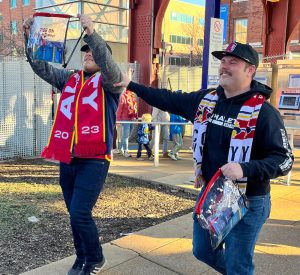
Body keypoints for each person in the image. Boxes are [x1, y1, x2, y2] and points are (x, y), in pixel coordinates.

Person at [114, 41, 294, 274]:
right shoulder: (206, 102)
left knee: (238, 261)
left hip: (249, 201)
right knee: (202, 250)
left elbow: (284, 159)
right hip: (213, 196)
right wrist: (131, 85)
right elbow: (167, 98)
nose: (225, 67)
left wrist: (245, 168)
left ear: (250, 70)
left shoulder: (265, 113)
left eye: (233, 62)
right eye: (223, 62)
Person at [23, 14, 123, 275]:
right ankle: (82, 259)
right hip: (69, 156)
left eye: (93, 51)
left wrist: (91, 32)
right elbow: (40, 67)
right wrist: (30, 39)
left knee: (80, 213)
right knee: (74, 215)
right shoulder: (70, 79)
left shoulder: (111, 82)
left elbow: (109, 67)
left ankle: (96, 258)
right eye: (86, 51)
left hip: (95, 158)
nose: (88, 54)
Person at [116, 88, 138, 157]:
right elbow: (119, 109)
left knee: (126, 136)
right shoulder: (123, 97)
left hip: (131, 118)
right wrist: (118, 120)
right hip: (124, 119)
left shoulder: (132, 97)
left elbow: (135, 108)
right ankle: (126, 151)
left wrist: (136, 117)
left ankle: (121, 149)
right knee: (125, 136)